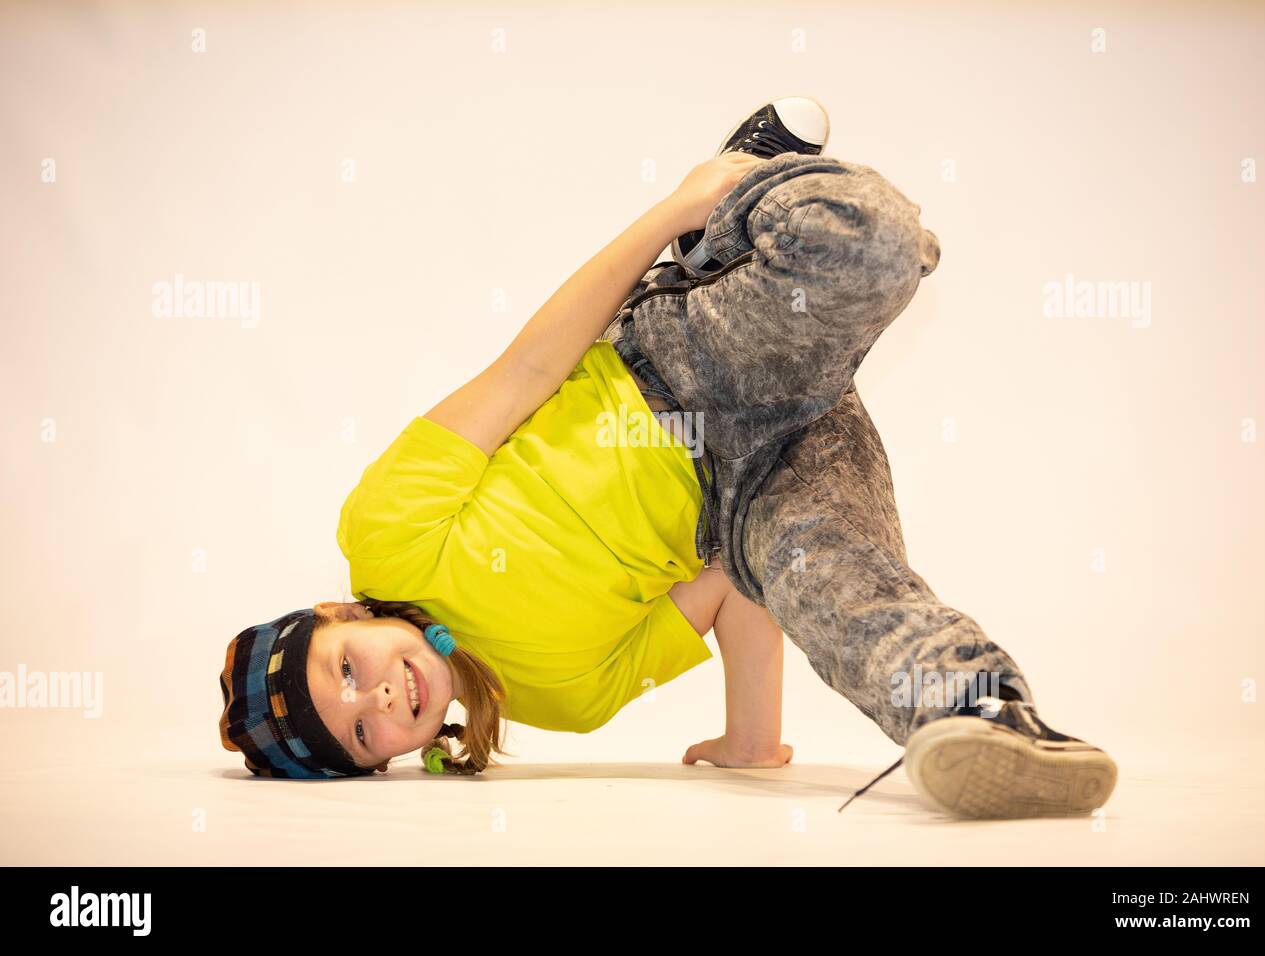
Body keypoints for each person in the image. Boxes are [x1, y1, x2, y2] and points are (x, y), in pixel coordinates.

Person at [219, 96, 1117, 819]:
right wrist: (752, 742)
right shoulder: (563, 701)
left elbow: (531, 365)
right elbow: (730, 581)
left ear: (339, 612)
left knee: (867, 240)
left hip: (680, 369)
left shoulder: (386, 535)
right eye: (364, 735)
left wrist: (676, 208)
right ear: (388, 764)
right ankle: (986, 716)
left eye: (346, 670)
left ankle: (724, 226)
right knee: (834, 587)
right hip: (756, 488)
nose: (381, 700)